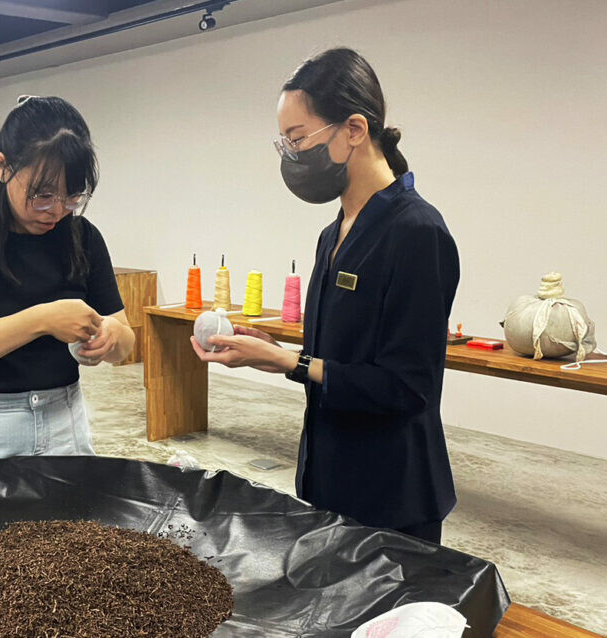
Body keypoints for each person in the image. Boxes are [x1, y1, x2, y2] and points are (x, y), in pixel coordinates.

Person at [191, 49, 459, 544]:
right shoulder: (333, 235)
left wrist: (292, 361)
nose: (292, 155)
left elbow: (407, 387)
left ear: (354, 129)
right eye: (285, 143)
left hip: (392, 497)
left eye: (298, 139)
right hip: (328, 477)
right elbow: (334, 360)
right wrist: (269, 351)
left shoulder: (417, 233)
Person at [0, 95, 134, 459]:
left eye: (72, 197)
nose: (56, 211)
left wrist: (111, 338)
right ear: (3, 167)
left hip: (64, 422)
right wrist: (42, 320)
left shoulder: (83, 238)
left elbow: (126, 342)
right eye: (42, 195)